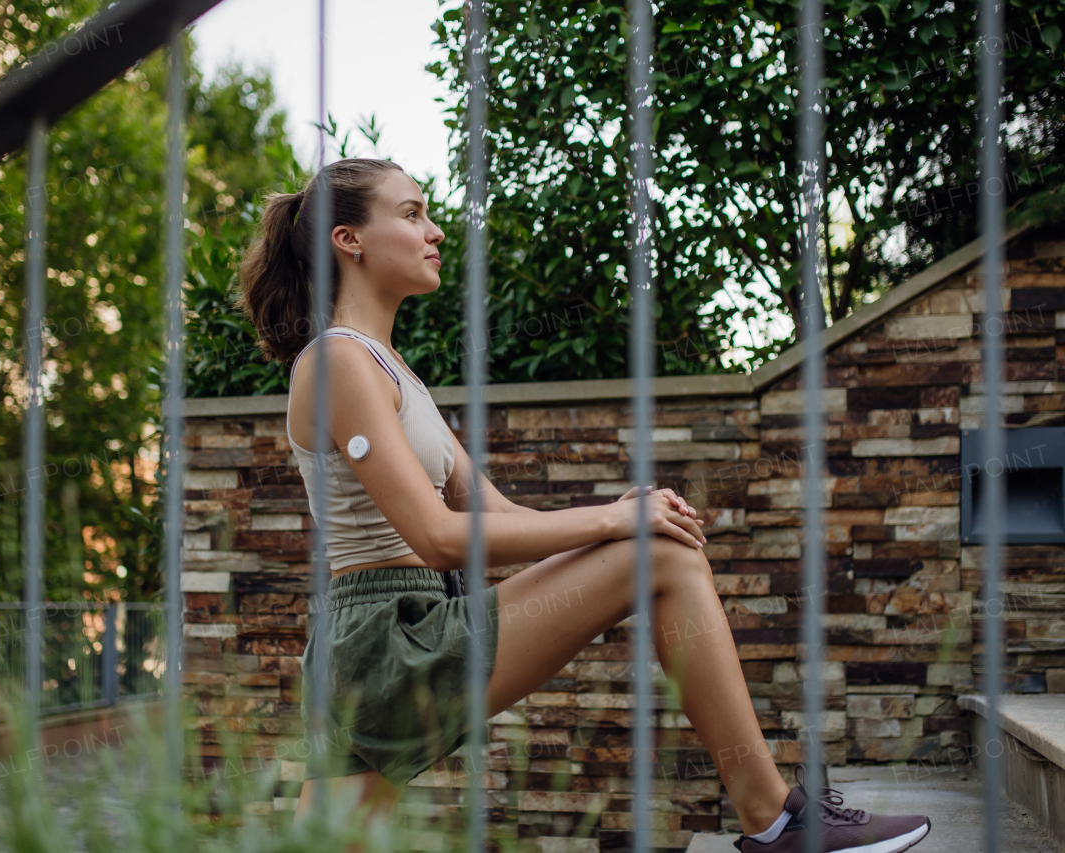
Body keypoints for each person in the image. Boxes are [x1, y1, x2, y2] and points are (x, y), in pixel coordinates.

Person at [235, 157, 932, 853]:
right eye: (412, 213)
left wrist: (612, 516)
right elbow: (440, 535)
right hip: (387, 641)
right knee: (660, 556)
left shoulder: (389, 368)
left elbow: (495, 512)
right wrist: (617, 526)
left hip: (396, 636)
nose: (435, 230)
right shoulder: (336, 362)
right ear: (347, 239)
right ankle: (775, 817)